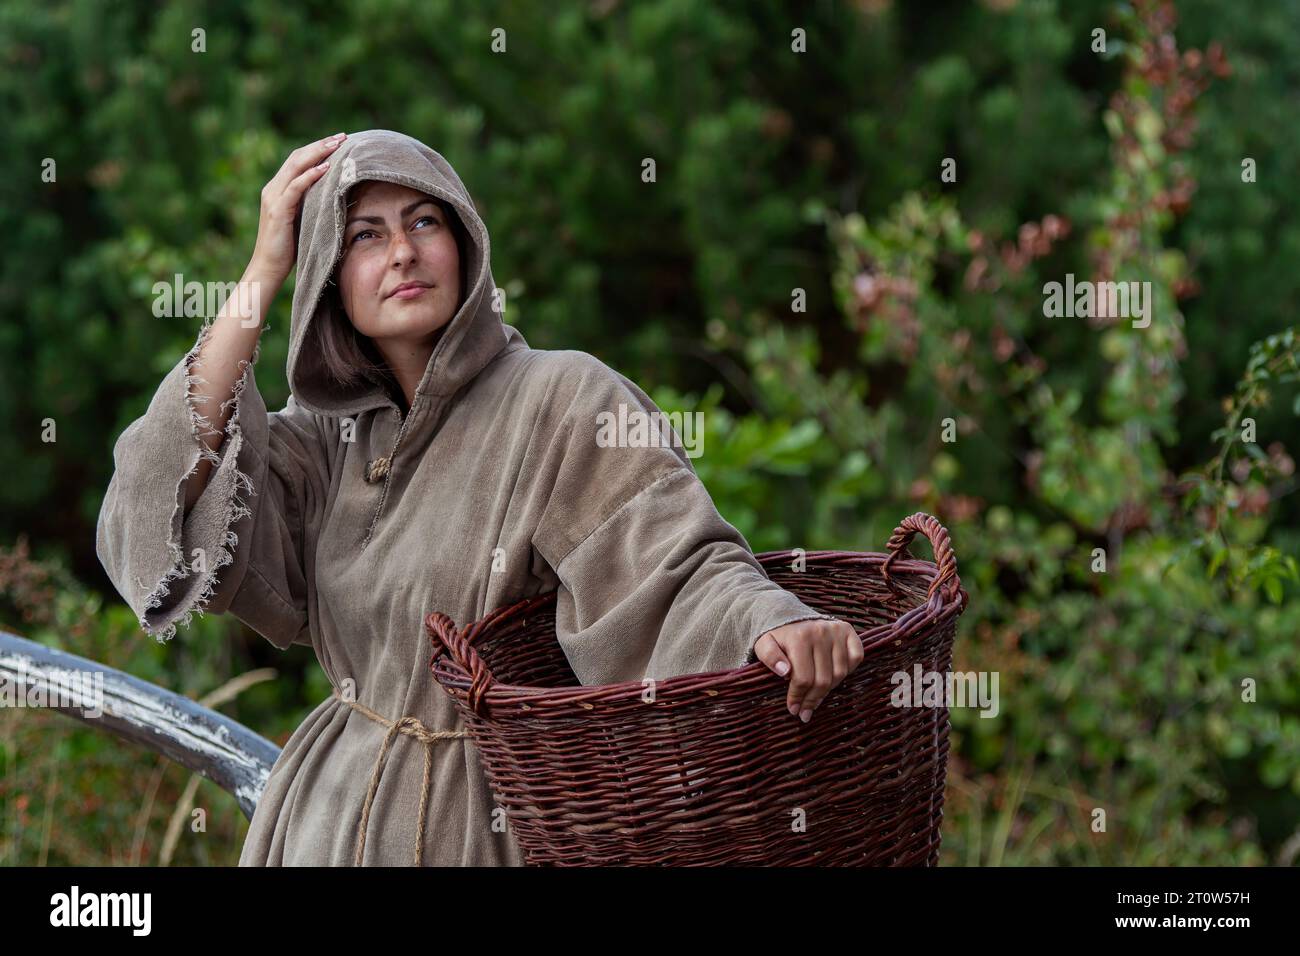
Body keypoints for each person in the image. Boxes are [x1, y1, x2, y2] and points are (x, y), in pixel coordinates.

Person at [95, 129, 864, 866]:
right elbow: (157, 496)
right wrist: (264, 269)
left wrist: (773, 621)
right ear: (328, 274)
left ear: (464, 242)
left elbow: (674, 560)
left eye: (423, 220)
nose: (402, 251)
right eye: (364, 235)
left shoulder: (563, 399)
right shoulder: (324, 447)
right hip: (319, 827)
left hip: (494, 828)